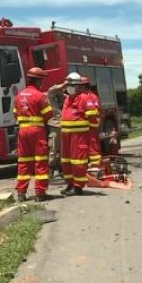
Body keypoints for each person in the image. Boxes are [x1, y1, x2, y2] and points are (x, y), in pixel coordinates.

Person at [14, 67, 53, 202]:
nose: (42, 83)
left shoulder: (18, 96)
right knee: (40, 162)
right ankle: (40, 193)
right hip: (37, 132)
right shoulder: (41, 96)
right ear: (37, 80)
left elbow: (15, 114)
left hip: (22, 132)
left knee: (23, 162)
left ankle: (21, 193)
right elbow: (48, 114)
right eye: (41, 80)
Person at [60, 73, 98, 196]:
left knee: (78, 161)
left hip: (79, 136)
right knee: (66, 161)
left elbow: (93, 117)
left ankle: (78, 187)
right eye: (67, 85)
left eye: (70, 85)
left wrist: (90, 135)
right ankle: (70, 184)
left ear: (77, 86)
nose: (68, 87)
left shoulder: (84, 98)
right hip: (66, 135)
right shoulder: (67, 98)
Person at [46, 77, 70, 177]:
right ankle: (50, 170)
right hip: (55, 125)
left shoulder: (67, 98)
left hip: (66, 125)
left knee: (63, 149)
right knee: (53, 148)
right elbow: (52, 90)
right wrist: (64, 84)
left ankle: (62, 169)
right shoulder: (51, 97)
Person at [85, 79, 102, 167]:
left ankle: (96, 167)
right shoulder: (82, 97)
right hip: (84, 127)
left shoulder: (93, 97)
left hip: (92, 126)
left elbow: (94, 111)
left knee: (93, 147)